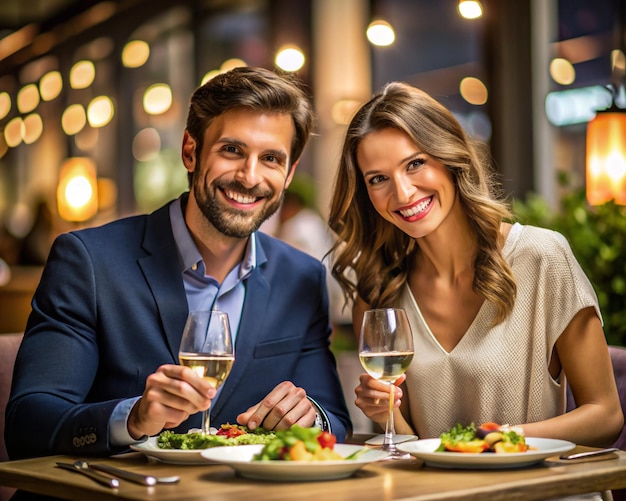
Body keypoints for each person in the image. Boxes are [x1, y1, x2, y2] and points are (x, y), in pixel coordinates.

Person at [6, 66, 351, 461]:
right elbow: (27, 425)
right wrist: (132, 418)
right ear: (190, 151)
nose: (249, 176)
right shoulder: (88, 261)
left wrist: (311, 419)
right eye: (231, 150)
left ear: (289, 173)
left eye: (270, 158)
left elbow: (335, 420)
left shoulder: (302, 278)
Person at [327, 82, 623, 447]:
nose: (402, 193)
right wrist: (386, 414)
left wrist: (494, 440)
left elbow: (606, 415)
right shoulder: (377, 292)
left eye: (415, 164)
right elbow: (412, 449)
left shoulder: (542, 257)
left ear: (450, 157)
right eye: (378, 179)